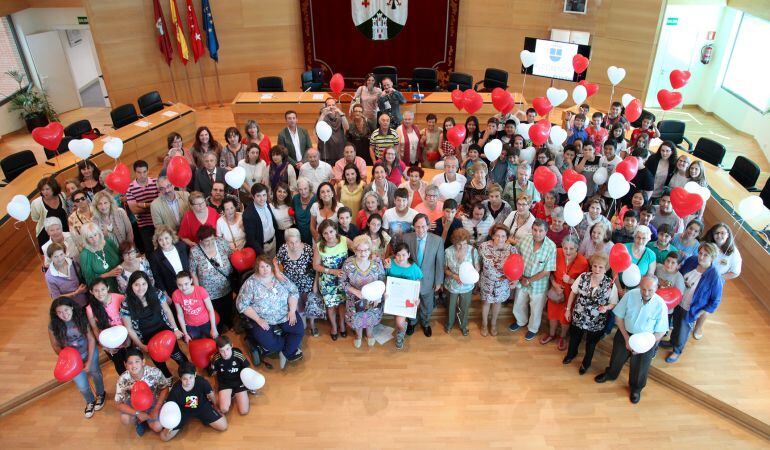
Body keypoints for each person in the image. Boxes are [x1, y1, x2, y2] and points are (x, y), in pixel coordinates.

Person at [594, 276, 668, 404]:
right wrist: (627, 338)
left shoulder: (661, 305)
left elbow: (661, 331)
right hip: (625, 333)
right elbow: (619, 318)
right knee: (616, 357)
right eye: (643, 289)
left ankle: (636, 388)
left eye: (650, 290)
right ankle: (611, 374)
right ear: (639, 285)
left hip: (646, 340)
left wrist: (644, 345)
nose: (646, 293)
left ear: (656, 288)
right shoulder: (630, 295)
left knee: (640, 367)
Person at [237, 255, 305, 367]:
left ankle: (286, 352)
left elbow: (293, 292)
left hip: (284, 313)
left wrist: (292, 311)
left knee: (298, 330)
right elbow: (242, 305)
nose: (265, 269)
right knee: (269, 343)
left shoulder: (278, 276)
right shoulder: (250, 283)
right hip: (263, 318)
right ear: (257, 268)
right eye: (262, 267)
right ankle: (289, 349)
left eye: (267, 266)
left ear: (272, 266)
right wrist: (258, 319)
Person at [662, 243, 723, 363]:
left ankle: (677, 350)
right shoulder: (691, 261)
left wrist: (700, 312)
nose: (701, 257)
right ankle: (671, 341)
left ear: (712, 257)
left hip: (691, 308)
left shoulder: (714, 276)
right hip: (677, 302)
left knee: (683, 331)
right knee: (675, 325)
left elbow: (715, 300)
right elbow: (679, 274)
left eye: (706, 255)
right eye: (700, 253)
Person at [121, 271, 189, 379]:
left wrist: (175, 329)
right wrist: (141, 345)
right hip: (147, 337)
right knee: (158, 362)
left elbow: (167, 311)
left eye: (144, 284)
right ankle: (168, 378)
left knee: (177, 354)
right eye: (136, 284)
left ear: (148, 283)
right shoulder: (126, 303)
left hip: (165, 330)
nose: (140, 288)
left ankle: (188, 373)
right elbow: (129, 328)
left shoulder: (156, 293)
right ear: (131, 286)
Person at [48, 297, 105, 418]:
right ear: (56, 313)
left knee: (96, 373)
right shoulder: (53, 325)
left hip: (88, 351)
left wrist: (89, 361)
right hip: (72, 360)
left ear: (72, 307)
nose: (64, 314)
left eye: (66, 310)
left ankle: (101, 394)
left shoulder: (81, 318)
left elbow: (90, 338)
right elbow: (55, 345)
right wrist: (70, 359)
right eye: (59, 312)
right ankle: (90, 401)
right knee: (82, 385)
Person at [563, 254, 619, 374]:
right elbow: (573, 292)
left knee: (591, 343)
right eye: (595, 266)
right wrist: (568, 309)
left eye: (601, 267)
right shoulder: (583, 276)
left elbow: (614, 303)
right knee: (574, 337)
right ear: (591, 266)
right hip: (579, 314)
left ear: (606, 269)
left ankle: (586, 363)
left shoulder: (610, 284)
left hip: (596, 320)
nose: (597, 269)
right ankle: (571, 354)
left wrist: (606, 307)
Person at [509, 219, 557, 341]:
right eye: (535, 230)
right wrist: (519, 277)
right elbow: (516, 255)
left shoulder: (551, 247)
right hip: (522, 279)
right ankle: (521, 321)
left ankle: (532, 329)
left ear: (546, 231)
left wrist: (529, 280)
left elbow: (547, 271)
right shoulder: (525, 239)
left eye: (541, 231)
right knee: (519, 303)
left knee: (536, 308)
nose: (537, 233)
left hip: (538, 284)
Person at [160, 361, 228, 441]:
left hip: (202, 407)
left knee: (223, 426)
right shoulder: (175, 390)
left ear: (195, 375)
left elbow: (211, 395)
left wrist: (215, 406)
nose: (188, 382)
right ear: (180, 378)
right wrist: (169, 424)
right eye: (184, 379)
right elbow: (170, 406)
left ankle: (206, 417)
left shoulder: (202, 382)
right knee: (164, 437)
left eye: (190, 378)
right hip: (183, 411)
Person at [542, 236, 588, 349]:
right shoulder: (557, 253)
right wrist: (554, 285)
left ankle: (562, 337)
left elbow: (584, 283)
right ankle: (552, 334)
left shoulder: (583, 262)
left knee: (565, 317)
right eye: (565, 248)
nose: (567, 251)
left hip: (571, 293)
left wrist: (571, 280)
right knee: (552, 314)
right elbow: (550, 273)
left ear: (577, 248)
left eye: (571, 248)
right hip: (556, 289)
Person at [341, 235, 386, 348]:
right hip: (354, 299)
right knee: (357, 318)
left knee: (370, 317)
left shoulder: (376, 263)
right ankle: (358, 335)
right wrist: (355, 291)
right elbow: (342, 282)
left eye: (366, 250)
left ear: (370, 250)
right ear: (355, 250)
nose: (363, 253)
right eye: (359, 250)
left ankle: (369, 334)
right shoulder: (348, 264)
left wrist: (379, 296)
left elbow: (382, 280)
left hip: (373, 300)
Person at [697, 223, 741, 339]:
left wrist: (719, 278)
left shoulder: (734, 253)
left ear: (728, 235)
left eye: (722, 233)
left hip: (715, 283)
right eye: (717, 233)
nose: (719, 235)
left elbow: (735, 272)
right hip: (700, 276)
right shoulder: (708, 245)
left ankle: (698, 328)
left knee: (705, 307)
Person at [276, 228, 323, 336]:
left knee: (310, 305)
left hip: (307, 283)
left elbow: (316, 266)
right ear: (286, 242)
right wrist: (277, 271)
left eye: (296, 242)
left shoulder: (307, 248)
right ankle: (302, 323)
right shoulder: (283, 249)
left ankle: (312, 325)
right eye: (291, 243)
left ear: (300, 240)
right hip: (292, 285)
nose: (294, 245)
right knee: (297, 308)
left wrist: (315, 283)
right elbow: (275, 260)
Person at [115, 348, 171, 437]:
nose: (134, 366)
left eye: (137, 361)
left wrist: (156, 408)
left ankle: (147, 419)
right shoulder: (123, 379)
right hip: (134, 404)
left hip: (154, 401)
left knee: (157, 427)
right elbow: (119, 403)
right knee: (125, 419)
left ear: (143, 362)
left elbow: (165, 388)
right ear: (125, 365)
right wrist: (138, 413)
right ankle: (140, 421)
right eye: (130, 363)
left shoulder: (155, 372)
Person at [189, 225, 235, 331]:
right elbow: (193, 272)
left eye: (211, 239)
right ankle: (218, 328)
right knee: (214, 311)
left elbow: (231, 256)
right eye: (206, 241)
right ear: (200, 240)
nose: (210, 243)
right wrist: (197, 291)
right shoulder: (195, 251)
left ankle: (229, 324)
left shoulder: (221, 242)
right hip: (208, 292)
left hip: (226, 286)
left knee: (227, 307)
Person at [478, 224, 516, 336]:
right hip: (487, 281)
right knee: (486, 303)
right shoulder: (483, 247)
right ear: (492, 235)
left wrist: (515, 280)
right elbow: (479, 263)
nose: (500, 239)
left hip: (502, 283)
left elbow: (516, 267)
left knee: (497, 303)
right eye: (497, 235)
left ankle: (493, 324)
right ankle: (484, 324)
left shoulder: (512, 249)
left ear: (507, 237)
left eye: (503, 236)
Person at [313, 219, 348, 340]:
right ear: (322, 235)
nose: (329, 235)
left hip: (343, 280)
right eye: (325, 233)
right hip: (327, 282)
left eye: (331, 231)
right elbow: (316, 266)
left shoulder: (344, 240)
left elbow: (359, 247)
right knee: (331, 306)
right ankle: (333, 326)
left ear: (336, 230)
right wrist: (332, 271)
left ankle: (342, 324)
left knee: (343, 304)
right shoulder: (319, 246)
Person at [86, 278, 130, 374]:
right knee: (119, 366)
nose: (100, 293)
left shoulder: (120, 298)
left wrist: (129, 338)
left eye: (103, 289)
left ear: (108, 288)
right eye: (96, 291)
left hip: (127, 338)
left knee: (132, 361)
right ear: (91, 292)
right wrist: (105, 345)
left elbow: (129, 318)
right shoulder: (90, 309)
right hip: (109, 343)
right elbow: (95, 329)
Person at [385, 242, 424, 348]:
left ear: (409, 255)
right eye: (398, 255)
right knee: (396, 318)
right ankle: (401, 329)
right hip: (391, 299)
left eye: (404, 255)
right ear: (394, 254)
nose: (401, 258)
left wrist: (417, 297)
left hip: (406, 301)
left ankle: (400, 334)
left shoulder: (414, 268)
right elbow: (384, 278)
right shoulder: (390, 264)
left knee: (399, 322)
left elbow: (418, 282)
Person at [444, 228, 479, 336]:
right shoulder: (448, 251)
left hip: (467, 285)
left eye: (464, 244)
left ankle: (463, 325)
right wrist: (455, 276)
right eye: (459, 244)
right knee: (450, 306)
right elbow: (445, 269)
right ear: (454, 241)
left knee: (465, 306)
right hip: (452, 284)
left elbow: (477, 268)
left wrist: (466, 277)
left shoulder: (473, 250)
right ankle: (449, 324)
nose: (462, 247)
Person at [172, 270, 218, 341]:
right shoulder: (175, 295)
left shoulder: (201, 290)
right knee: (196, 344)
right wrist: (186, 334)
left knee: (214, 341)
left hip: (206, 322)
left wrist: (213, 328)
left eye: (186, 284)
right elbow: (180, 314)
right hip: (190, 325)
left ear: (191, 281)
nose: (183, 288)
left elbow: (210, 310)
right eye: (180, 285)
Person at [210, 336, 251, 416]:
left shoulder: (239, 356)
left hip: (239, 381)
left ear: (231, 346)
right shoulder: (215, 359)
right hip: (225, 383)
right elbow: (214, 373)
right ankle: (231, 393)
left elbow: (247, 370)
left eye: (227, 349)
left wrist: (249, 384)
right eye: (222, 351)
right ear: (218, 350)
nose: (225, 353)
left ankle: (237, 393)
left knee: (244, 411)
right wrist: (216, 385)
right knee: (224, 409)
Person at [125, 160, 159, 253]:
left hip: (159, 221)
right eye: (139, 172)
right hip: (145, 225)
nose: (142, 175)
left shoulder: (156, 182)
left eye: (144, 172)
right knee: (151, 251)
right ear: (135, 173)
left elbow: (161, 204)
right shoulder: (130, 188)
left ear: (148, 171)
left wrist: (142, 205)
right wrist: (153, 205)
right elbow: (135, 210)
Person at [148, 225, 190, 297]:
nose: (164, 242)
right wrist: (165, 294)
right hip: (172, 290)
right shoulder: (155, 256)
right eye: (160, 239)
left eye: (166, 238)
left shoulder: (182, 246)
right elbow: (157, 277)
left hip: (189, 285)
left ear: (171, 237)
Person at [79, 222, 122, 292]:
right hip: (105, 289)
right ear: (86, 239)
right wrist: (108, 274)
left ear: (99, 234)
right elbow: (89, 280)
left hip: (122, 281)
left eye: (95, 235)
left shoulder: (108, 242)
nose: (94, 239)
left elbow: (121, 258)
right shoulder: (85, 255)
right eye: (90, 237)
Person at [243, 183, 281, 257]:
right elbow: (251, 239)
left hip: (273, 241)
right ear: (253, 197)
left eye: (264, 195)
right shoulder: (248, 214)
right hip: (262, 247)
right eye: (258, 196)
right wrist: (262, 253)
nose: (262, 199)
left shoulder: (266, 203)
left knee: (273, 264)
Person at [619, 225, 657, 294]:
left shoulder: (651, 255)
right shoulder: (623, 248)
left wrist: (631, 292)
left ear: (648, 239)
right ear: (634, 237)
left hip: (638, 290)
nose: (640, 241)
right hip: (619, 287)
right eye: (638, 237)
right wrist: (619, 289)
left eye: (644, 238)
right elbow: (614, 270)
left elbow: (648, 278)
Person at [317, 98, 349, 165]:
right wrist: (323, 114)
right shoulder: (323, 116)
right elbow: (318, 128)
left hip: (339, 150)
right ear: (325, 107)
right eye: (329, 105)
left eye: (333, 105)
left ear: (336, 106)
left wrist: (341, 114)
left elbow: (347, 127)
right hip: (327, 151)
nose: (331, 107)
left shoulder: (340, 116)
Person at [291, 177, 316, 245]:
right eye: (300, 189)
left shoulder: (316, 199)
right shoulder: (296, 199)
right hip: (299, 235)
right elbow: (292, 212)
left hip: (313, 235)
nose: (303, 192)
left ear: (309, 188)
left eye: (305, 188)